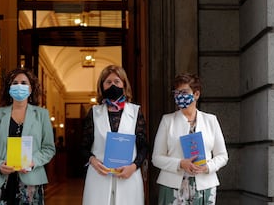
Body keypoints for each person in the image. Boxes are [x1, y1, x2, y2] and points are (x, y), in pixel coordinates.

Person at [0, 68, 56, 205]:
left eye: (23, 82)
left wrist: (33, 162)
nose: (19, 86)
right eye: (15, 83)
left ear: (31, 88)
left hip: (31, 182)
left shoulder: (42, 114)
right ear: (9, 88)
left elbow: (49, 148)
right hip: (1, 182)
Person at [151, 73, 228, 204]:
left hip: (204, 185)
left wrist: (207, 166)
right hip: (173, 186)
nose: (180, 96)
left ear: (196, 94)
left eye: (184, 92)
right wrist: (180, 163)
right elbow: (156, 158)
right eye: (177, 93)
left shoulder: (211, 120)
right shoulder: (167, 121)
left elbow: (222, 156)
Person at [81, 65, 148, 205]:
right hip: (99, 175)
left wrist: (134, 167)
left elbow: (143, 147)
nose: (113, 85)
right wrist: (93, 161)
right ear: (102, 86)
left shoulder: (135, 112)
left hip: (128, 176)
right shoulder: (94, 112)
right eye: (108, 82)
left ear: (124, 84)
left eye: (117, 81)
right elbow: (83, 146)